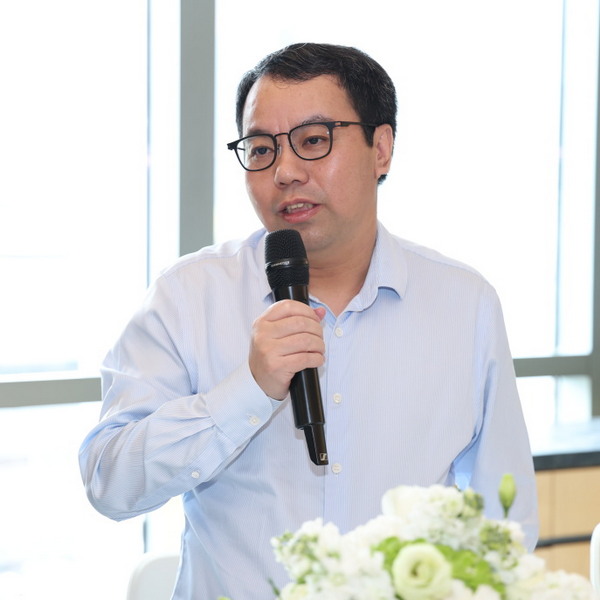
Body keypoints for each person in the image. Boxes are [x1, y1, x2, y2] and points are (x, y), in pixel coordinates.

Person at [79, 42, 539, 599]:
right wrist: (246, 391)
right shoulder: (188, 296)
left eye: (314, 141)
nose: (285, 172)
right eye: (261, 149)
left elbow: (504, 520)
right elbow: (110, 482)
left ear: (381, 149)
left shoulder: (465, 305)